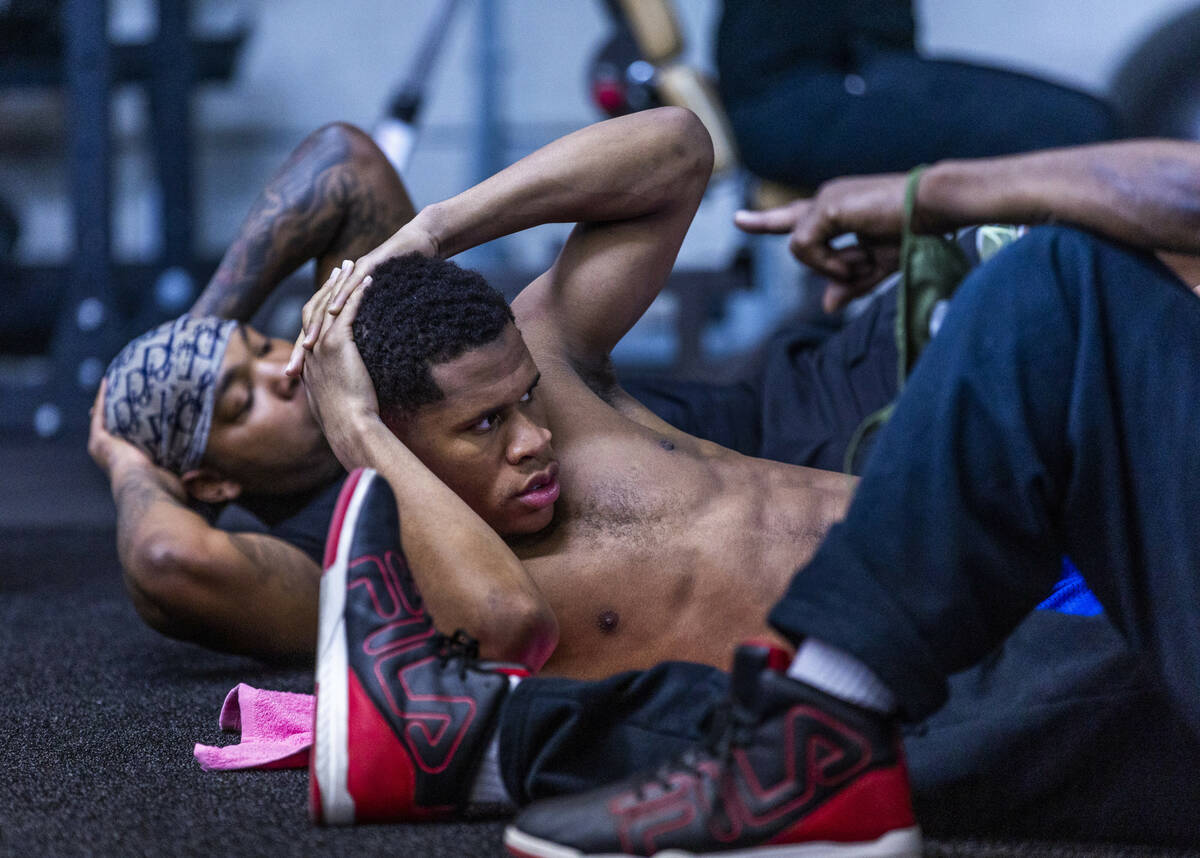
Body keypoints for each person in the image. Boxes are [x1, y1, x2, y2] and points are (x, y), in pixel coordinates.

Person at [294, 126, 1200, 850]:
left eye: (523, 399)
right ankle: (810, 744)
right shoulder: (417, 545)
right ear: (398, 435)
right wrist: (364, 436)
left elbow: (677, 150)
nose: (533, 439)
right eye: (484, 427)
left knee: (1063, 285)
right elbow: (504, 626)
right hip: (971, 667)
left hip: (1007, 541)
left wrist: (438, 227)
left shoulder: (553, 379)